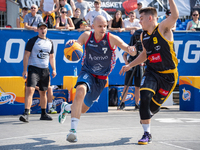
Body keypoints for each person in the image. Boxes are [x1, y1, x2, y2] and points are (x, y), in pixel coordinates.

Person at [58, 15, 136, 142]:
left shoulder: (111, 38)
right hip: (87, 71)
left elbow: (126, 47)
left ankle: (66, 107)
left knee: (82, 109)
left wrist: (131, 50)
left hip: (101, 79)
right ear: (92, 26)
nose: (103, 28)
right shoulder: (86, 36)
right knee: (80, 91)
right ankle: (73, 131)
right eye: (100, 26)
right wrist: (72, 43)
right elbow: (76, 45)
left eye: (105, 26)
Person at [119, 0, 179, 145]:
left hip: (168, 75)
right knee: (144, 98)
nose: (139, 22)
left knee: (152, 107)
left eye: (141, 18)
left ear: (150, 18)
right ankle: (147, 134)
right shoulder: (143, 35)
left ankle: (148, 113)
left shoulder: (163, 28)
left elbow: (175, 16)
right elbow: (144, 55)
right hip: (152, 71)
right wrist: (130, 65)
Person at [19, 22, 57, 123]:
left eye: (44, 28)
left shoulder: (50, 42)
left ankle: (43, 114)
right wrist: (24, 70)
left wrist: (54, 69)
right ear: (38, 30)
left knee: (43, 92)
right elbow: (26, 55)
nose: (43, 30)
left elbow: (52, 57)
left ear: (46, 30)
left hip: (45, 70)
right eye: (41, 28)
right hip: (34, 68)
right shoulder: (32, 41)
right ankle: (26, 113)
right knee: (30, 90)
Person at [119, 29, 144, 110]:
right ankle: (122, 102)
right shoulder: (131, 45)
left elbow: (146, 56)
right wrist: (126, 62)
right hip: (131, 65)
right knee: (126, 84)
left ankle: (137, 103)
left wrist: (144, 62)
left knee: (138, 86)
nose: (138, 38)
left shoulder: (144, 45)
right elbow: (124, 55)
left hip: (139, 66)